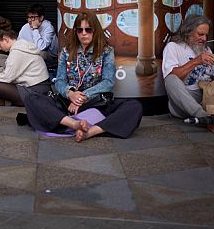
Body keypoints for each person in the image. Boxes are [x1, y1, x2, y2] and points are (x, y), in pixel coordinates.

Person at [19, 12, 143, 142]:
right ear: (76, 32)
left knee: (134, 106)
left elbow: (108, 82)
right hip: (68, 101)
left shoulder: (106, 52)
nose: (84, 33)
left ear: (95, 31)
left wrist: (82, 97)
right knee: (32, 98)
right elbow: (60, 80)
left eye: (88, 30)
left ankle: (90, 132)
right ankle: (74, 124)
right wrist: (70, 94)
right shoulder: (67, 51)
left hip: (95, 101)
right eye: (80, 30)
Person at [0, 28, 51, 106]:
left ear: (6, 39)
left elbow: (7, 77)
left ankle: (12, 101)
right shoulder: (22, 46)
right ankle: (6, 100)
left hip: (36, 92)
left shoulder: (17, 52)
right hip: (40, 88)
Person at [0, 3, 58, 74]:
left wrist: (35, 29)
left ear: (41, 18)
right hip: (27, 58)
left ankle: (15, 69)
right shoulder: (25, 27)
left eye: (33, 17)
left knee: (41, 54)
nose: (30, 20)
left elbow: (41, 47)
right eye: (28, 17)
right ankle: (17, 68)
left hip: (48, 59)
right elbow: (18, 45)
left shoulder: (48, 27)